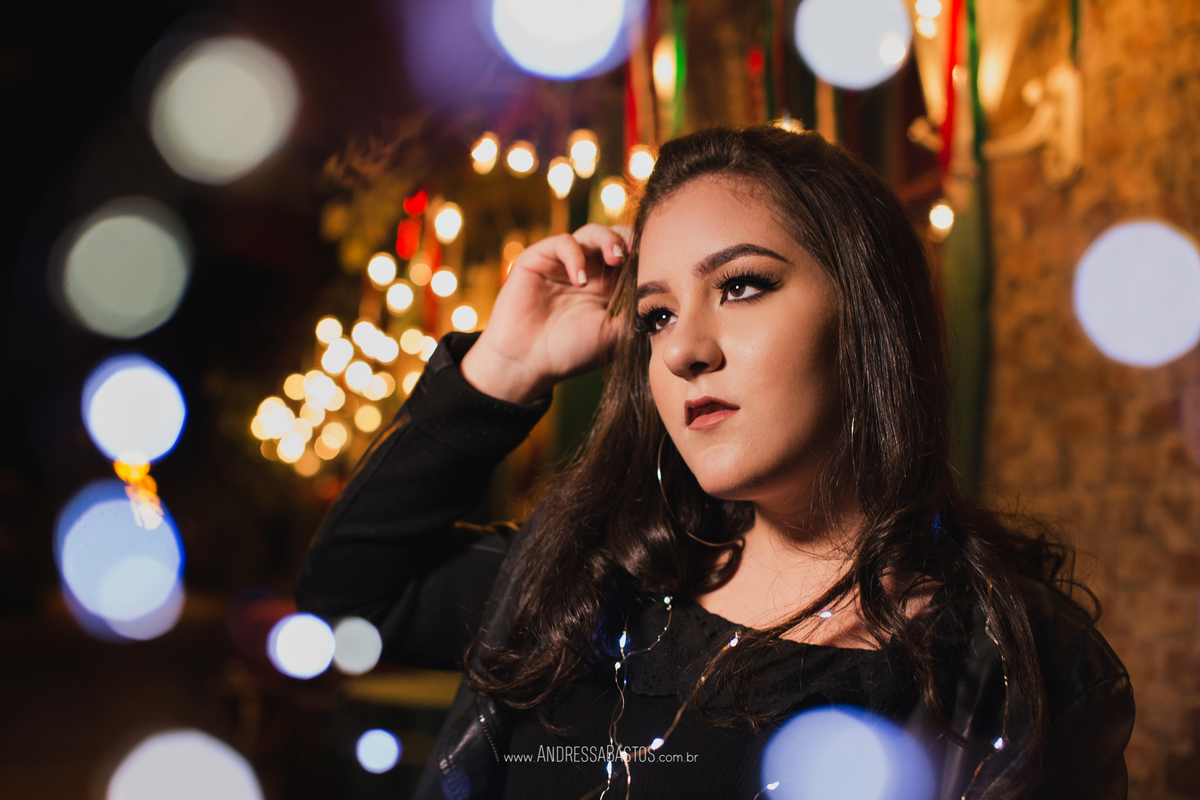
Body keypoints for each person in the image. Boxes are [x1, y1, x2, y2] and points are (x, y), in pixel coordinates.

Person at [295, 125, 1134, 800]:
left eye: (740, 285)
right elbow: (351, 596)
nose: (682, 349)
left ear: (866, 309)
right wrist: (504, 368)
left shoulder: (1013, 673)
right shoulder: (594, 582)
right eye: (656, 316)